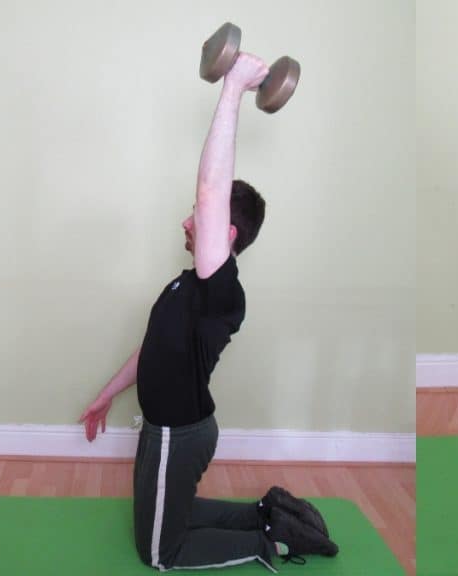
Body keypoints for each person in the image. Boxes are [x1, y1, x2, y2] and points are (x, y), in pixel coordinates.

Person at [78, 52, 337, 570]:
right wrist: (105, 395)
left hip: (181, 432)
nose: (186, 221)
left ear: (226, 233)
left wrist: (233, 88)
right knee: (160, 515)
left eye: (197, 217)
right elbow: (151, 351)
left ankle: (274, 545)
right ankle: (266, 515)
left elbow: (212, 189)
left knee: (159, 551)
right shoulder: (184, 287)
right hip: (164, 427)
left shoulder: (221, 290)